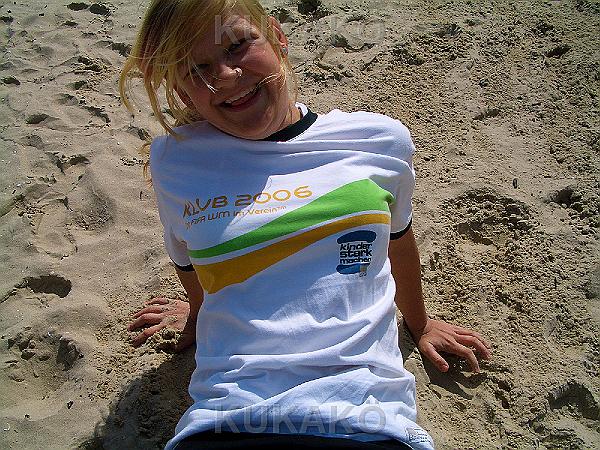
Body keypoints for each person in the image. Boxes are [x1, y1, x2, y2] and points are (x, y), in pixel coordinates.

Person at [119, 1, 492, 449]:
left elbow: (397, 237)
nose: (227, 75)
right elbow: (187, 259)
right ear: (182, 92)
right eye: (197, 70)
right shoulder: (175, 160)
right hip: (228, 419)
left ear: (277, 37)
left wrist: (421, 323)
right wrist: (201, 315)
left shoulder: (378, 139)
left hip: (367, 420)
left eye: (237, 45)